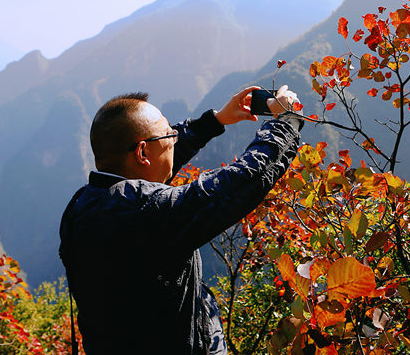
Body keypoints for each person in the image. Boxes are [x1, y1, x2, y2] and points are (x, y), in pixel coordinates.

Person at [58, 85, 302, 354]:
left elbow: (152, 167)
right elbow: (242, 181)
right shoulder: (148, 214)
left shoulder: (84, 205)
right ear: (141, 153)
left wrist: (217, 119)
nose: (175, 139)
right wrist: (287, 123)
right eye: (168, 134)